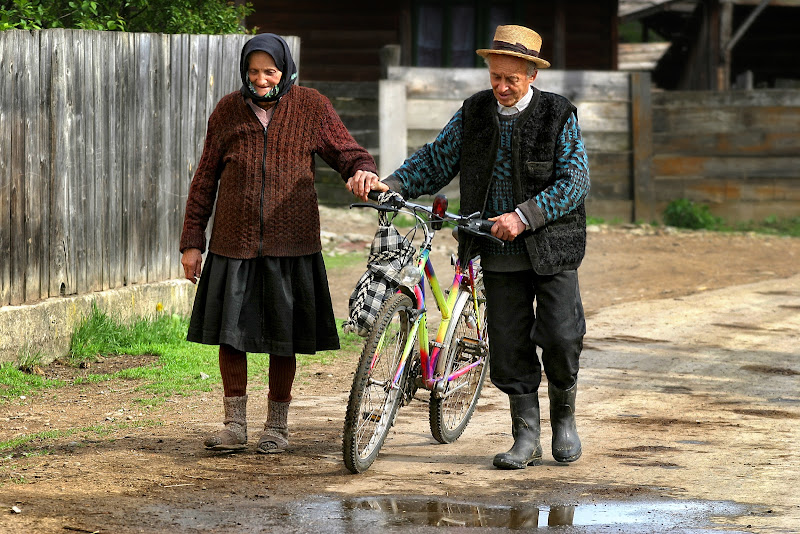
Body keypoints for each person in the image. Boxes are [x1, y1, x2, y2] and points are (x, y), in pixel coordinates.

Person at [348, 25, 589, 469]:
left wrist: (523, 216)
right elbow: (436, 158)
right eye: (495, 76)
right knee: (509, 344)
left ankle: (566, 422)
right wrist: (394, 183)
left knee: (561, 335)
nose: (500, 86)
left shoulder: (558, 115)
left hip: (552, 249)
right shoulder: (475, 112)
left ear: (532, 75)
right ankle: (526, 436)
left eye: (511, 79)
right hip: (494, 251)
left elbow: (575, 181)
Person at [181, 33, 379, 453]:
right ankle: (235, 425)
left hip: (292, 243)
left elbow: (347, 152)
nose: (261, 79)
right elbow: (204, 179)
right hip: (234, 242)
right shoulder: (228, 111)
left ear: (284, 70)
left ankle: (277, 427)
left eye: (269, 71)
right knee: (231, 334)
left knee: (282, 335)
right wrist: (192, 241)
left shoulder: (311, 106)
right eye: (253, 71)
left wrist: (363, 170)